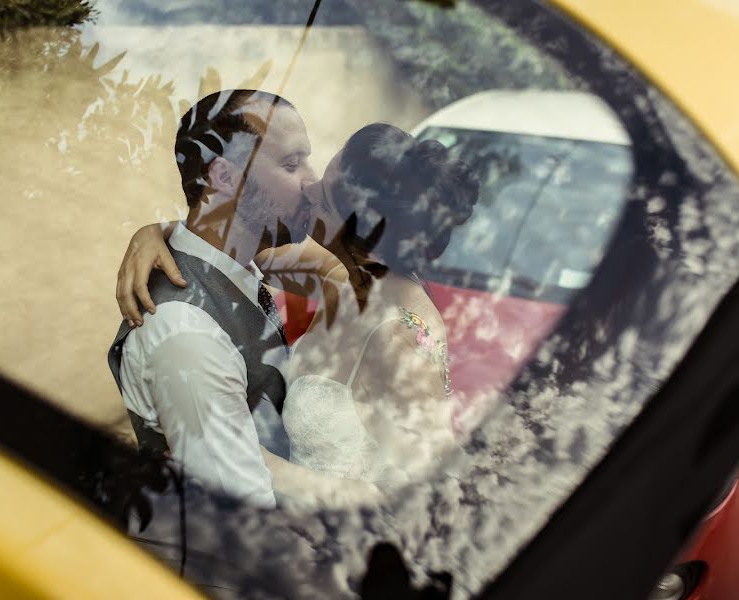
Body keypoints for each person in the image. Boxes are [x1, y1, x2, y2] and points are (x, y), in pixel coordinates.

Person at [119, 123, 480, 508]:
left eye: (323, 197)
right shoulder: (346, 277)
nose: (309, 189)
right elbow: (232, 245)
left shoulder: (400, 338)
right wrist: (155, 233)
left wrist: (221, 448)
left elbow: (425, 495)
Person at [108, 89, 318, 509]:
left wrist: (163, 229)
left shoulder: (244, 264)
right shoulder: (186, 334)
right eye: (292, 164)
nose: (312, 181)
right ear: (223, 177)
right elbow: (242, 517)